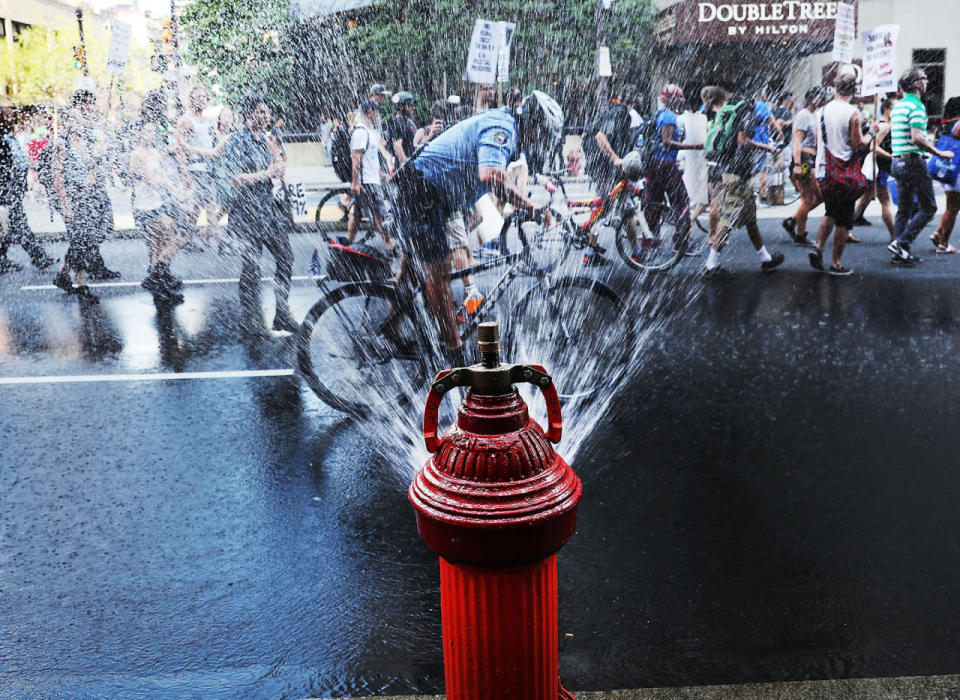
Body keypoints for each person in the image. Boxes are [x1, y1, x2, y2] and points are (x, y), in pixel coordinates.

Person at [392, 90, 562, 367]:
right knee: (439, 271)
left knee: (411, 268)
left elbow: (492, 175)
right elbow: (490, 175)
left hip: (427, 192)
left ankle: (389, 330)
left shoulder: (505, 123)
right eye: (542, 134)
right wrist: (534, 208)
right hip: (422, 192)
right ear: (534, 125)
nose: (540, 141)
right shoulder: (504, 129)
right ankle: (453, 352)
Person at [224, 93, 298, 334]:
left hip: (268, 210)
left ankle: (282, 312)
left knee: (286, 258)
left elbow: (276, 167)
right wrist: (267, 174)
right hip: (246, 213)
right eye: (260, 112)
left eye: (267, 112)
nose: (265, 116)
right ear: (248, 115)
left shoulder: (266, 139)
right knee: (251, 267)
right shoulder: (237, 141)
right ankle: (248, 318)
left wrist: (279, 170)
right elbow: (235, 179)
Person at [702, 92, 784, 280]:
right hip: (737, 174)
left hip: (735, 170)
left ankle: (766, 259)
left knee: (750, 218)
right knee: (729, 219)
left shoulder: (734, 109)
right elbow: (743, 141)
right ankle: (711, 265)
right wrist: (768, 148)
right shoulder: (748, 111)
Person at [807, 75, 874, 276]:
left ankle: (818, 249)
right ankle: (836, 263)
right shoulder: (853, 113)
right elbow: (858, 144)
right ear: (853, 90)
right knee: (844, 219)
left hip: (825, 169)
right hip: (844, 173)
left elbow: (819, 140)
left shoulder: (822, 110)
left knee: (830, 211)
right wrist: (872, 132)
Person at [888, 68, 954, 266]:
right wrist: (940, 153)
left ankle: (899, 252)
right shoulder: (916, 106)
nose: (927, 82)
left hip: (897, 161)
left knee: (904, 209)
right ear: (917, 84)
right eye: (924, 78)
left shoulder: (898, 106)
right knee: (929, 207)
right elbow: (916, 138)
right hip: (912, 162)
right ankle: (901, 243)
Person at [130, 96, 187, 304]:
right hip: (145, 208)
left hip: (156, 204)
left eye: (153, 132)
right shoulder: (137, 154)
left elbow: (159, 165)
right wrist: (170, 186)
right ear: (138, 133)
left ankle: (159, 281)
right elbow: (152, 180)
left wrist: (167, 152)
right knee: (178, 238)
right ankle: (156, 278)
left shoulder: (153, 151)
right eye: (146, 131)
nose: (150, 134)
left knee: (159, 245)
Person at [642, 84, 702, 260]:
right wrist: (693, 146)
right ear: (673, 98)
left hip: (654, 165)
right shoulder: (668, 116)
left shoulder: (660, 114)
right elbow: (667, 142)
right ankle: (681, 242)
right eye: (680, 96)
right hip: (665, 165)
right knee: (682, 202)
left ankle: (649, 245)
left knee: (653, 205)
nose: (683, 100)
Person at [50, 109, 103, 302]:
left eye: (80, 118)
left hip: (86, 196)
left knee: (85, 239)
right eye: (73, 118)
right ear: (66, 122)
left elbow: (92, 168)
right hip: (71, 197)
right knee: (79, 240)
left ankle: (62, 275)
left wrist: (92, 174)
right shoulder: (61, 144)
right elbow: (57, 176)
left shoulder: (85, 142)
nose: (78, 122)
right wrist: (66, 205)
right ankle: (82, 285)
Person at [581, 91, 635, 265]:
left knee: (602, 208)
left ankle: (590, 252)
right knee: (626, 209)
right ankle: (637, 253)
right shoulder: (621, 114)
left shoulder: (610, 112)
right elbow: (600, 136)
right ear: (634, 101)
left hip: (600, 167)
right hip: (604, 168)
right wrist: (615, 159)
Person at [0, 106, 55, 273]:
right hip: (5, 191)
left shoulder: (9, 136)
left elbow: (17, 160)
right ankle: (39, 257)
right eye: (7, 116)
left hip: (14, 189)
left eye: (11, 116)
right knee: (19, 224)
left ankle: (3, 260)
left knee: (10, 226)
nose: (11, 119)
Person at [349, 100, 396, 253]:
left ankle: (349, 242)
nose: (379, 115)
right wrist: (355, 183)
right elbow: (356, 158)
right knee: (380, 216)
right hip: (367, 183)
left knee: (358, 215)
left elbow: (371, 160)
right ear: (369, 113)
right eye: (377, 112)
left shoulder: (368, 132)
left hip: (371, 179)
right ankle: (390, 244)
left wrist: (382, 175)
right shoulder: (361, 133)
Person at [178, 86, 222, 250]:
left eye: (204, 97)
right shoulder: (187, 120)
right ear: (192, 100)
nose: (202, 100)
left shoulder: (208, 120)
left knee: (196, 208)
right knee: (210, 205)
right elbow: (181, 147)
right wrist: (184, 172)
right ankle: (221, 242)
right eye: (198, 97)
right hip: (195, 169)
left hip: (207, 169)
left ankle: (185, 237)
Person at [782, 86, 826, 246]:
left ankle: (793, 221)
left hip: (812, 159)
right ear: (813, 98)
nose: (823, 100)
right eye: (820, 97)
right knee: (808, 198)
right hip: (805, 160)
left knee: (819, 197)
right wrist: (798, 164)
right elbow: (797, 141)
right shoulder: (802, 115)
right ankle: (800, 234)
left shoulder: (815, 114)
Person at [852, 97, 896, 243]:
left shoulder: (885, 124)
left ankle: (844, 228)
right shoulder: (884, 126)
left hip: (877, 168)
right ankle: (895, 236)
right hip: (878, 168)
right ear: (887, 110)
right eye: (895, 108)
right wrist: (889, 155)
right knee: (886, 202)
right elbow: (873, 147)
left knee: (863, 200)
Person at [931, 115, 960, 254]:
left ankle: (938, 233)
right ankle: (943, 244)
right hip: (956, 172)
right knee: (953, 208)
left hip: (951, 169)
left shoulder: (951, 122)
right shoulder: (958, 125)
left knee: (953, 207)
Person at [387, 91, 417, 165]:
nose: (413, 108)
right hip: (405, 168)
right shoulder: (397, 122)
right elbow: (397, 146)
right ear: (401, 107)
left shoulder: (407, 121)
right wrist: (407, 165)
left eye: (413, 105)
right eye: (410, 105)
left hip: (412, 160)